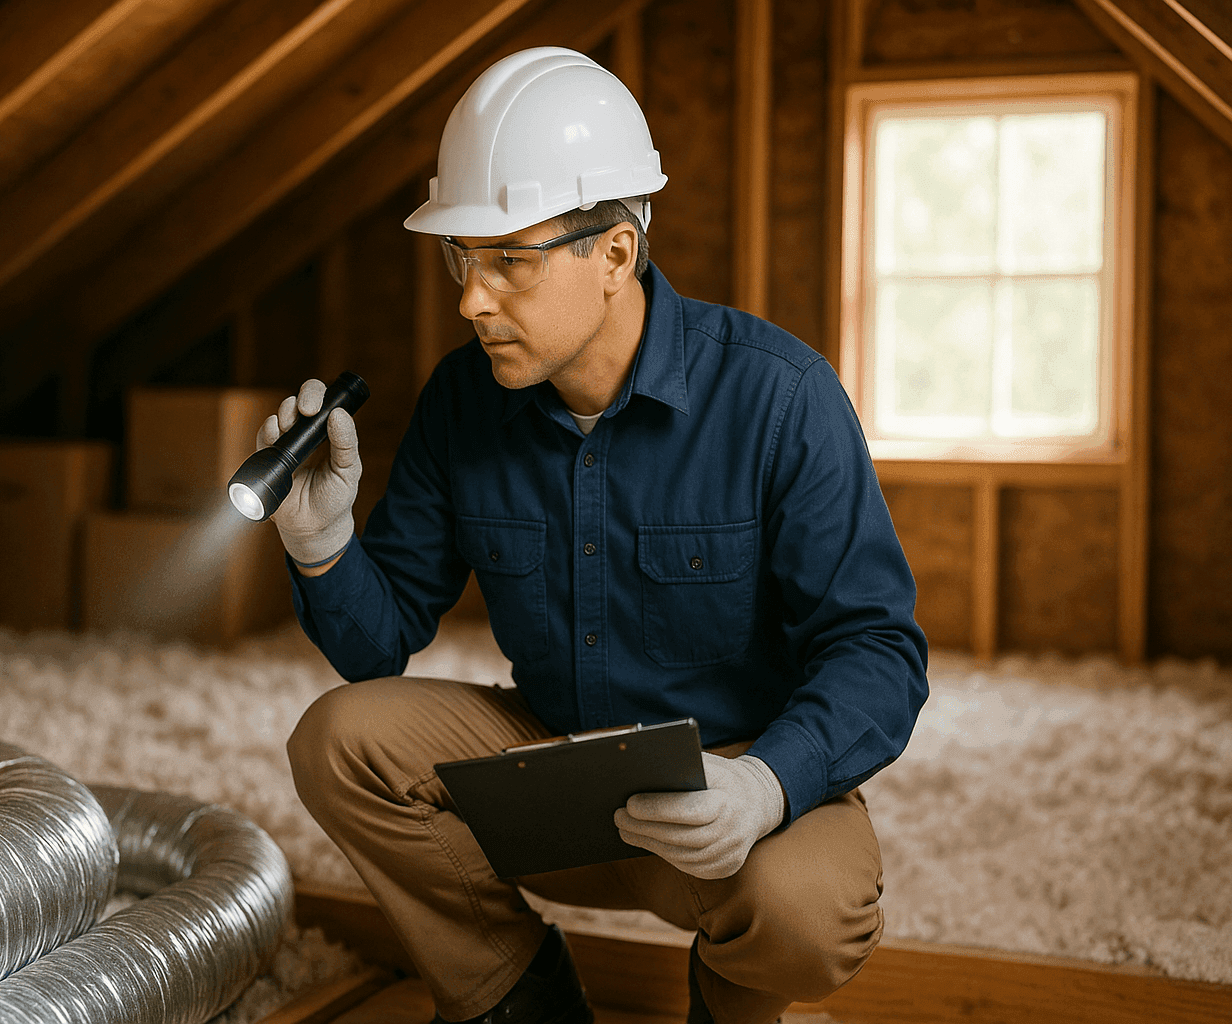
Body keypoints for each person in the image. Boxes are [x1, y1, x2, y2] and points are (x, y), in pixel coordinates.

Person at [261, 47, 928, 1024]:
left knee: (810, 914)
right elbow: (376, 646)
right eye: (461, 258)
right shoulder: (464, 401)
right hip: (554, 770)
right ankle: (518, 996)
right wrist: (322, 544)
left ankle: (730, 1003)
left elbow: (880, 651)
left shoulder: (782, 399)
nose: (470, 300)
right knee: (339, 740)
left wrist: (763, 788)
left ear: (615, 253)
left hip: (721, 789)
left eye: (508, 262)